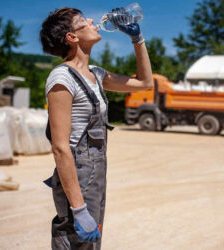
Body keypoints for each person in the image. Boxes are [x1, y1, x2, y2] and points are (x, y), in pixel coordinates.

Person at [40, 7, 153, 249]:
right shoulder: (62, 78)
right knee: (75, 243)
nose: (93, 20)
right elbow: (61, 148)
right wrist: (78, 209)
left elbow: (145, 82)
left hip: (96, 171)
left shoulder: (97, 74)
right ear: (72, 37)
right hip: (78, 175)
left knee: (90, 246)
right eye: (83, 20)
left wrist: (137, 39)